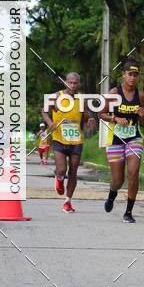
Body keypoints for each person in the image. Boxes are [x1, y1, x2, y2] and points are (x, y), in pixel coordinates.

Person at [100, 58, 144, 223]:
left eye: (136, 75)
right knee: (118, 180)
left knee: (133, 173)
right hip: (115, 140)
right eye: (130, 74)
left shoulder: (140, 95)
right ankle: (112, 195)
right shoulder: (114, 93)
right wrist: (115, 118)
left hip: (134, 139)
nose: (132, 78)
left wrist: (143, 116)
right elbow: (101, 113)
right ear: (123, 74)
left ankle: (128, 212)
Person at [41, 72, 96, 213]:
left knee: (73, 171)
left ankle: (68, 201)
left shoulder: (81, 99)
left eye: (75, 83)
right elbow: (44, 111)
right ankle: (59, 177)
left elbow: (86, 117)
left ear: (79, 84)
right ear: (65, 82)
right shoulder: (56, 96)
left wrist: (90, 119)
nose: (73, 85)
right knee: (62, 169)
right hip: (59, 139)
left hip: (76, 141)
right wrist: (49, 123)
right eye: (70, 82)